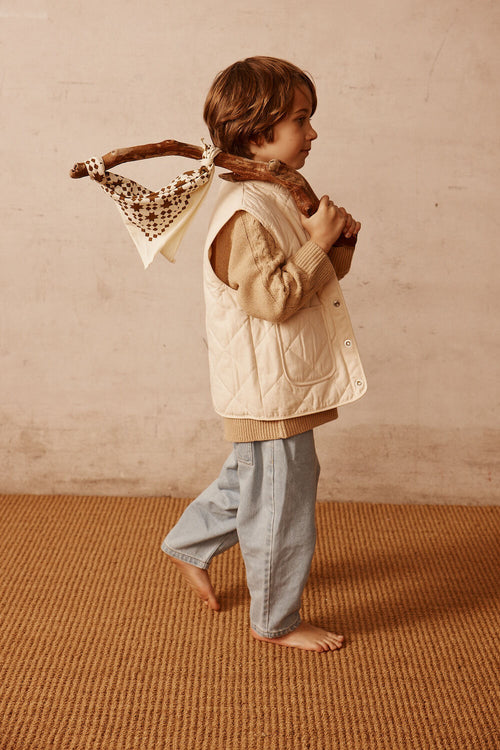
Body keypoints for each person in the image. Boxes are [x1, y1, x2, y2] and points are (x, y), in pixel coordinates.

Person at [161, 56, 366, 652]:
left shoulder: (275, 194)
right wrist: (319, 242)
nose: (313, 132)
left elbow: (313, 279)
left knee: (254, 479)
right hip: (267, 387)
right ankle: (276, 620)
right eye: (301, 120)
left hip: (278, 381)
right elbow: (273, 300)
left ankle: (189, 543)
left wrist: (337, 242)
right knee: (280, 507)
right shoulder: (246, 213)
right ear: (256, 134)